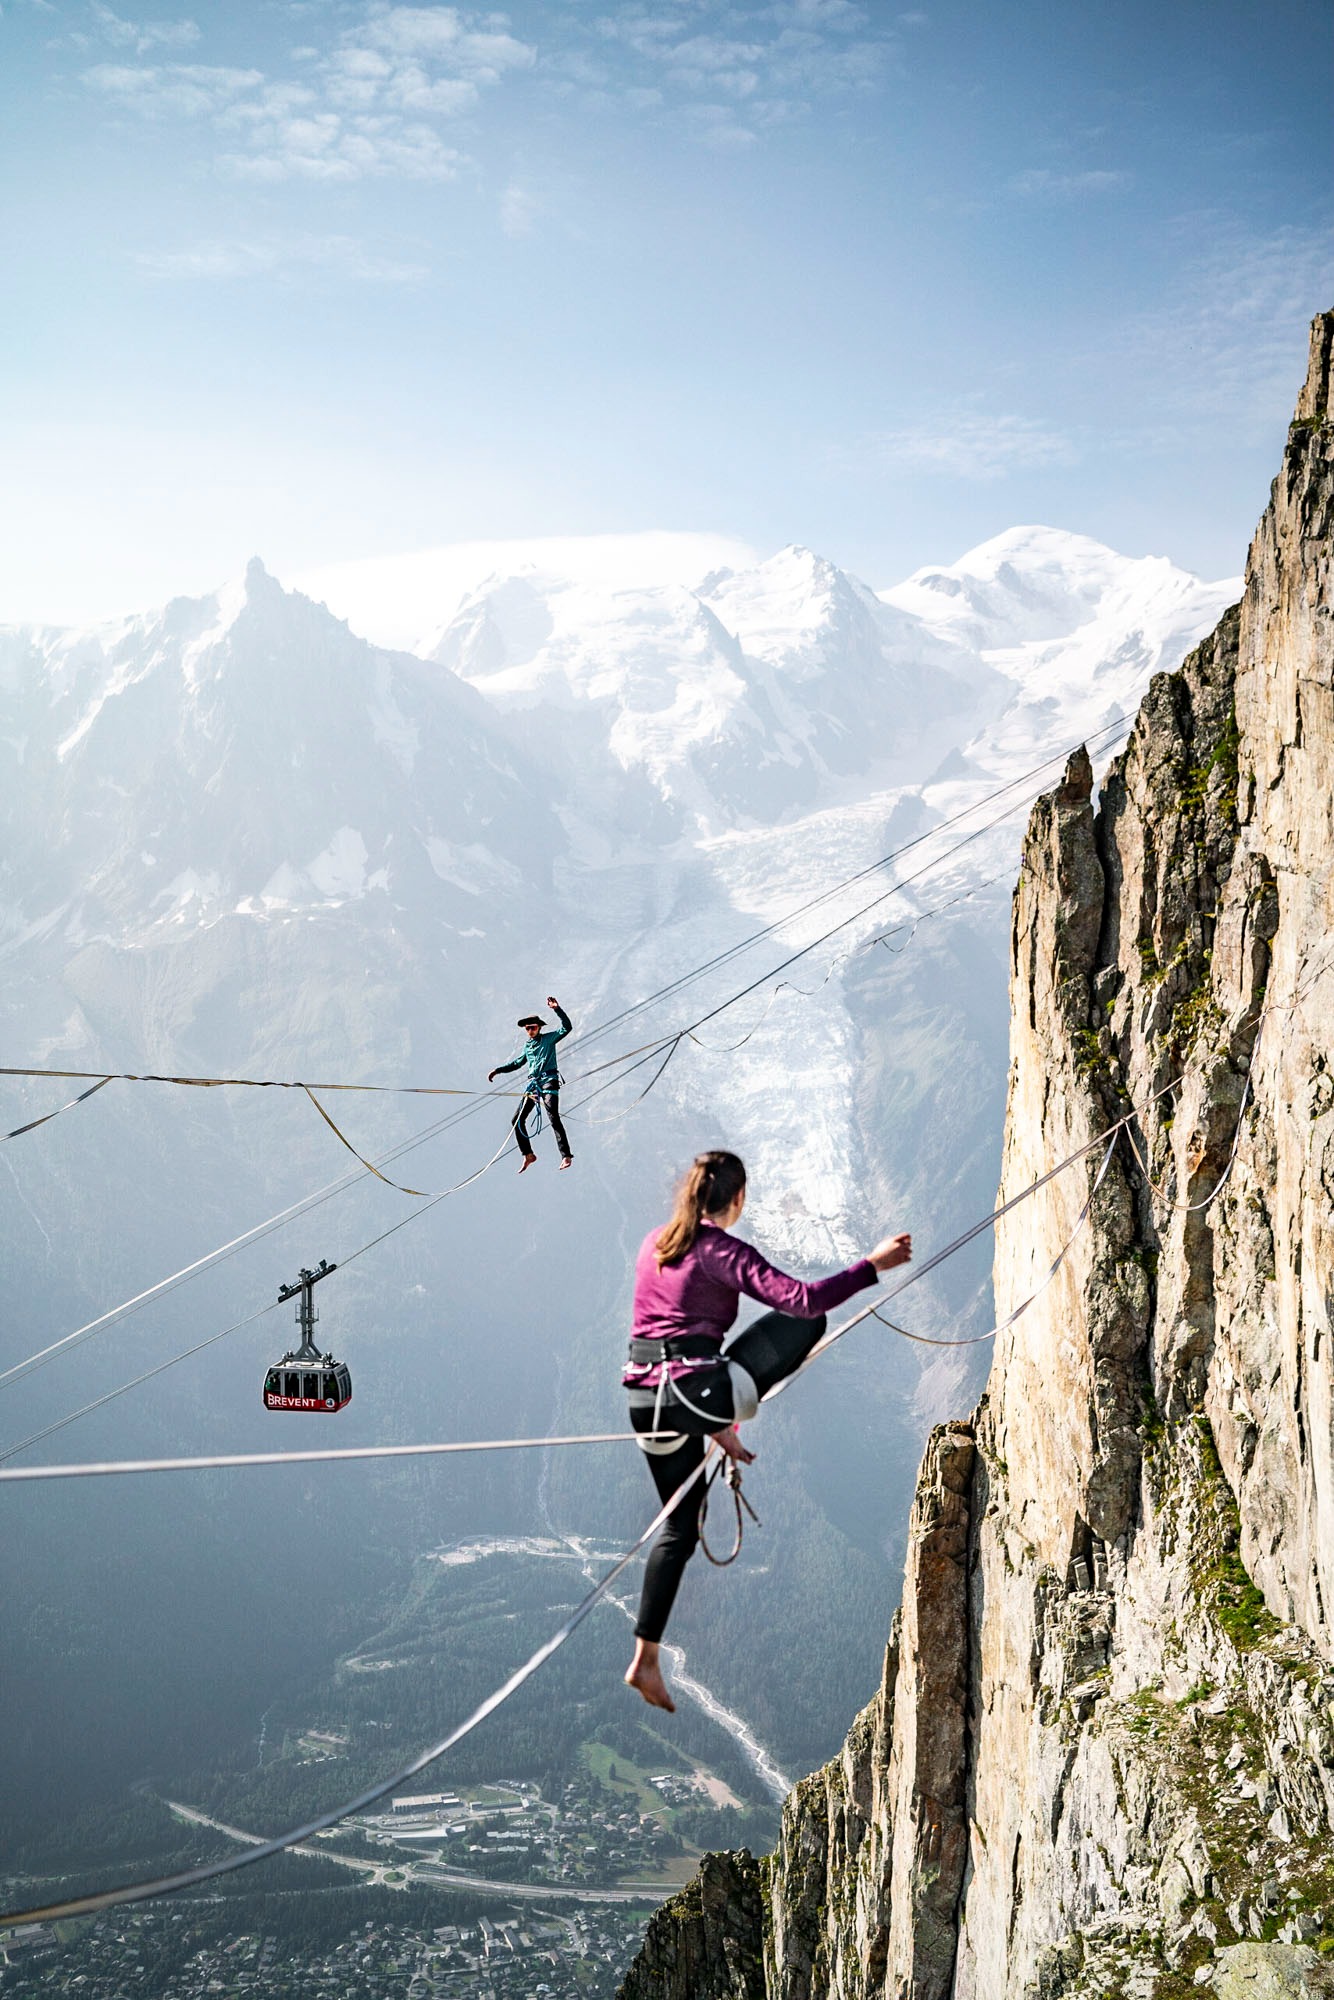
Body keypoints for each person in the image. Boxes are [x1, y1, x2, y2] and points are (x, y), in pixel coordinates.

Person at [622, 1149, 911, 1712]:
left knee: (681, 1527)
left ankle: (646, 1659)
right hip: (693, 1393)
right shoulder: (720, 1250)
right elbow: (803, 1301)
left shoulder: (656, 1243)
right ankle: (645, 1659)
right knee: (807, 1321)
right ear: (736, 1199)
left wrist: (712, 1424)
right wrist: (873, 1265)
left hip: (643, 1400)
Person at [487, 996, 574, 1172]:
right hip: (534, 1086)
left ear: (539, 1028)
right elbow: (518, 1063)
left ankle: (566, 1155)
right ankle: (528, 1154)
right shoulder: (528, 1046)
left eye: (533, 1028)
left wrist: (557, 1009)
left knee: (553, 1116)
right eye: (527, 1029)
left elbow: (567, 1027)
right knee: (517, 1120)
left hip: (549, 1081)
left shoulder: (549, 1039)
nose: (530, 1031)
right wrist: (498, 1070)